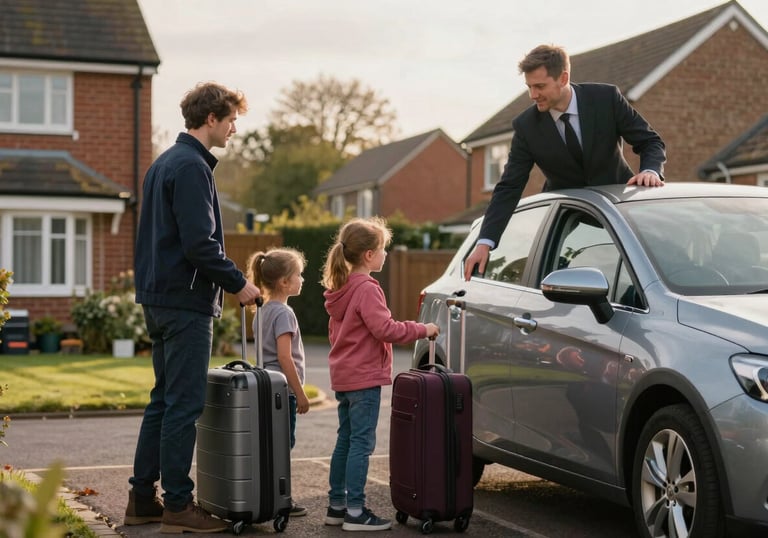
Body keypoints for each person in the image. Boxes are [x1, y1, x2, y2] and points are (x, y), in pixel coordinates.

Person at [125, 82, 261, 534]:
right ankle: (178, 506)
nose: (234, 129)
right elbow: (200, 245)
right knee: (183, 405)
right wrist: (240, 284)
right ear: (211, 119)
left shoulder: (164, 162)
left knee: (163, 402)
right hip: (183, 305)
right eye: (231, 120)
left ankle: (142, 499)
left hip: (158, 299)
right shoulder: (190, 167)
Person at [464, 44, 667, 281]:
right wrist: (485, 243)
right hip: (565, 222)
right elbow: (509, 186)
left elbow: (650, 142)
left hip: (619, 215)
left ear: (563, 78)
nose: (533, 95)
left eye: (540, 86)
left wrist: (651, 170)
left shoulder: (606, 99)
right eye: (529, 87)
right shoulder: (526, 126)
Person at [320, 217, 440, 532]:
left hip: (344, 376)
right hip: (364, 379)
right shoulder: (367, 288)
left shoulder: (341, 287)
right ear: (369, 255)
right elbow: (385, 329)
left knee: (345, 441)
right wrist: (422, 329)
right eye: (383, 249)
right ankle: (356, 512)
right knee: (361, 443)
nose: (386, 254)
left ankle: (337, 506)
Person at [245, 247, 310, 518]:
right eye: (298, 275)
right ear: (284, 282)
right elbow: (285, 357)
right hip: (282, 391)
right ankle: (281, 498)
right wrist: (301, 393)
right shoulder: (284, 313)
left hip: (265, 388)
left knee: (269, 444)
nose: (302, 279)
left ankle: (264, 493)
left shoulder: (261, 310)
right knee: (283, 446)